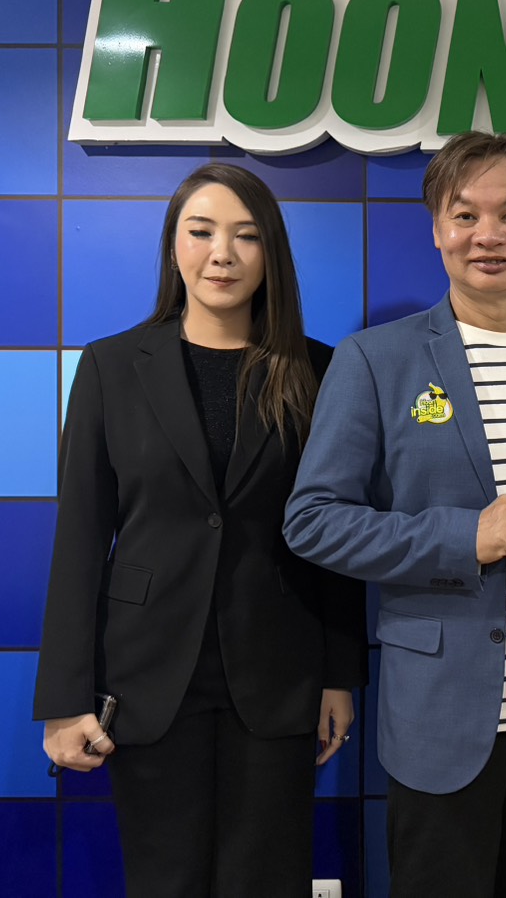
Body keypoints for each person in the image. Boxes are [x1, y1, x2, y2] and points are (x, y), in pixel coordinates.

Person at [284, 131, 506, 898]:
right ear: (436, 228)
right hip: (441, 720)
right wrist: (461, 536)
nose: (488, 235)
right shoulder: (376, 359)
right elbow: (312, 519)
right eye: (464, 214)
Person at [34, 163, 367, 897]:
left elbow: (337, 531)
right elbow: (80, 540)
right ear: (173, 246)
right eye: (202, 231)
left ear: (270, 252)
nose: (222, 254)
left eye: (247, 236)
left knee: (268, 879)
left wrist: (339, 672)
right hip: (147, 675)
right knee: (166, 880)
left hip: (279, 670)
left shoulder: (319, 370)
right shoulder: (111, 366)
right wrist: (64, 697)